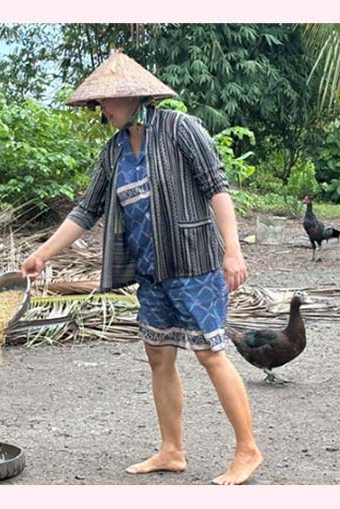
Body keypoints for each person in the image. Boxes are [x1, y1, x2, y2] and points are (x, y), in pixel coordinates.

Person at [21, 49, 262, 485]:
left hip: (194, 263)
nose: (103, 109)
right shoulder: (113, 152)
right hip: (150, 272)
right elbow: (85, 210)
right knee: (159, 356)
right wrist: (42, 254)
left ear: (134, 96)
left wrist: (233, 250)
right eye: (99, 103)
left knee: (209, 353)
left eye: (108, 101)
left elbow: (217, 188)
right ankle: (172, 450)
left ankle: (247, 450)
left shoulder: (180, 129)